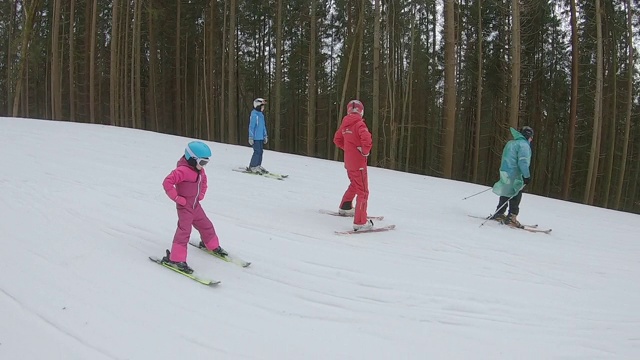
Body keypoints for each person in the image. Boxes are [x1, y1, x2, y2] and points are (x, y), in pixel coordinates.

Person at [161, 141, 227, 274]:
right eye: (202, 162)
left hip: (195, 205)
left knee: (206, 224)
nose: (204, 166)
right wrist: (177, 198)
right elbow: (167, 182)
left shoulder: (199, 170)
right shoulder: (183, 171)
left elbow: (204, 181)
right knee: (184, 231)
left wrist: (201, 194)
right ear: (191, 159)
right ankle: (176, 259)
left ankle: (211, 245)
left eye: (206, 163)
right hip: (185, 206)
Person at [334, 99, 374, 231]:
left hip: (349, 163)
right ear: (361, 111)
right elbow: (367, 140)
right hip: (359, 164)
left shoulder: (345, 125)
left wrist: (348, 149)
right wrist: (365, 152)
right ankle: (360, 222)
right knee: (363, 192)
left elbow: (337, 139)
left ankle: (345, 207)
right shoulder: (359, 124)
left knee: (354, 185)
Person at [490, 126, 534, 228]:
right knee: (516, 193)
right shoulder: (524, 145)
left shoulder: (511, 143)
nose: (531, 139)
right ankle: (512, 217)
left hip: (506, 172)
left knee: (506, 191)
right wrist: (526, 176)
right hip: (516, 174)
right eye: (531, 137)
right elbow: (523, 162)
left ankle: (499, 213)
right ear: (528, 136)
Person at [248, 98, 269, 174]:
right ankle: (252, 166)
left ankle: (258, 165)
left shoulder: (261, 115)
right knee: (257, 152)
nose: (263, 108)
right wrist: (251, 137)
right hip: (255, 138)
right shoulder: (254, 115)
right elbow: (251, 126)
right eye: (262, 106)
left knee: (261, 152)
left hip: (260, 137)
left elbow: (263, 126)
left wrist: (265, 135)